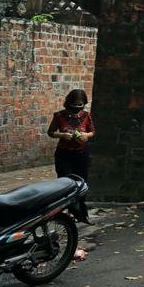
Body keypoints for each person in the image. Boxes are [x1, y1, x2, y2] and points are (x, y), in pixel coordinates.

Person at [48, 89, 94, 260]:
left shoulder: (86, 116)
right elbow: (51, 132)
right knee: (66, 182)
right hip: (64, 153)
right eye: (74, 106)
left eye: (79, 106)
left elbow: (92, 131)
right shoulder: (59, 115)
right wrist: (63, 135)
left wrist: (85, 136)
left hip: (81, 153)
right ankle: (67, 211)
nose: (77, 110)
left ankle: (82, 213)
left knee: (82, 183)